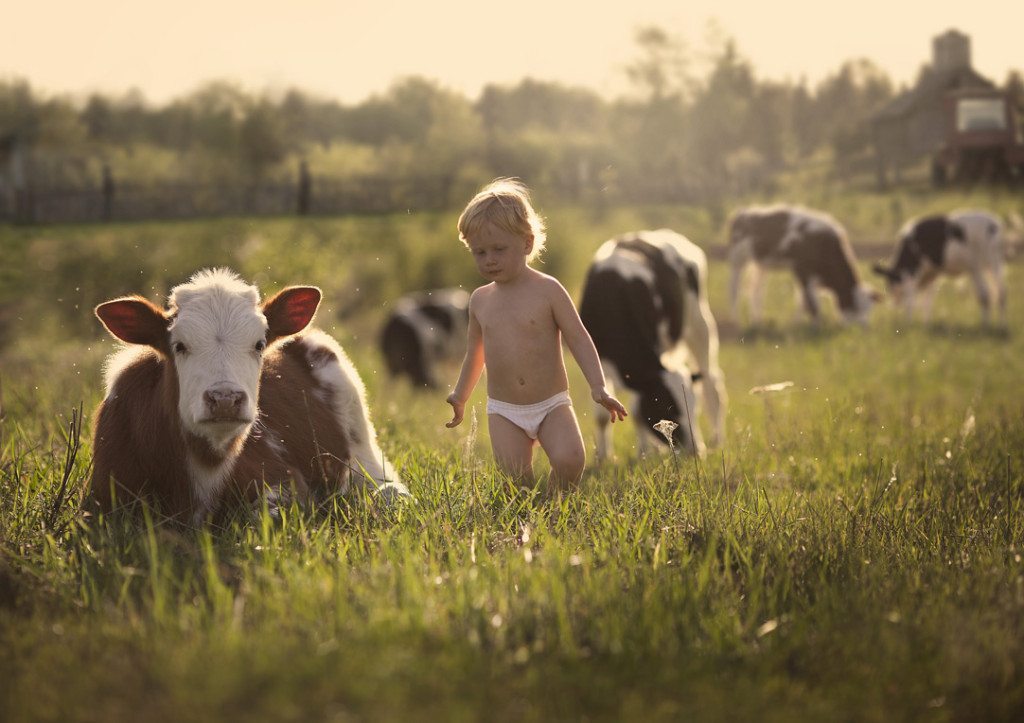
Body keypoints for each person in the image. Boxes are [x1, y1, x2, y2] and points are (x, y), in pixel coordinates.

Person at [446, 179, 627, 489]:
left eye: (499, 249)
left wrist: (598, 386)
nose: (489, 259)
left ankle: (555, 502)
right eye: (480, 252)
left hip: (551, 404)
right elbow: (475, 353)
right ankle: (529, 518)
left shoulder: (548, 291)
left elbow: (579, 337)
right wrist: (461, 396)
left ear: (527, 244)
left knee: (571, 459)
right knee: (516, 480)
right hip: (504, 410)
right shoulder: (480, 300)